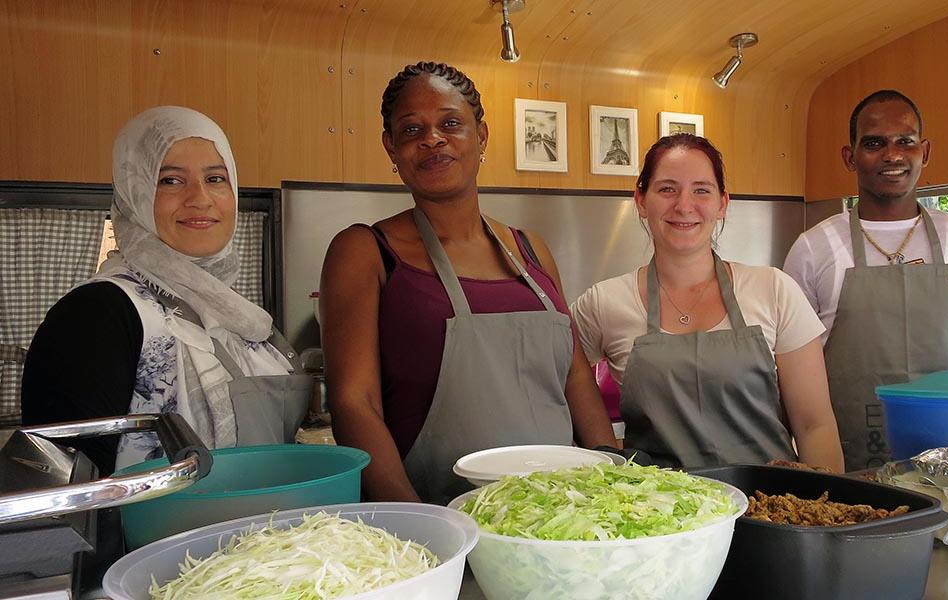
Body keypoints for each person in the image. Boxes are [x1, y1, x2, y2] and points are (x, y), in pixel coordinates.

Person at [320, 62, 617, 505]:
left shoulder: (531, 249)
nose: (432, 138)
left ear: (481, 137)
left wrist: (613, 479)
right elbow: (353, 403)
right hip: (440, 512)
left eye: (451, 123)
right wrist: (425, 528)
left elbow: (575, 376)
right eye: (411, 129)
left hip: (564, 515)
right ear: (392, 149)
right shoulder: (365, 251)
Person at [22, 106, 309, 475]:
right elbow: (72, 498)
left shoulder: (237, 315)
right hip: (160, 534)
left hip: (266, 529)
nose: (200, 198)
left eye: (216, 179)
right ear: (135, 191)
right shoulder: (97, 314)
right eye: (171, 180)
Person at [572, 133, 844, 472]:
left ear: (722, 203)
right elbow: (565, 380)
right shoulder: (603, 303)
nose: (684, 206)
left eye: (701, 190)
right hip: (658, 514)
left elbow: (814, 425)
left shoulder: (774, 289)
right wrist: (606, 457)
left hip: (770, 506)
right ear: (641, 201)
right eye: (667, 189)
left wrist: (827, 515)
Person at [783, 90, 948, 471]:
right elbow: (789, 372)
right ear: (849, 157)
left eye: (906, 141)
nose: (892, 154)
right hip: (846, 461)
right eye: (874, 143)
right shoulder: (813, 247)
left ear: (925, 152)